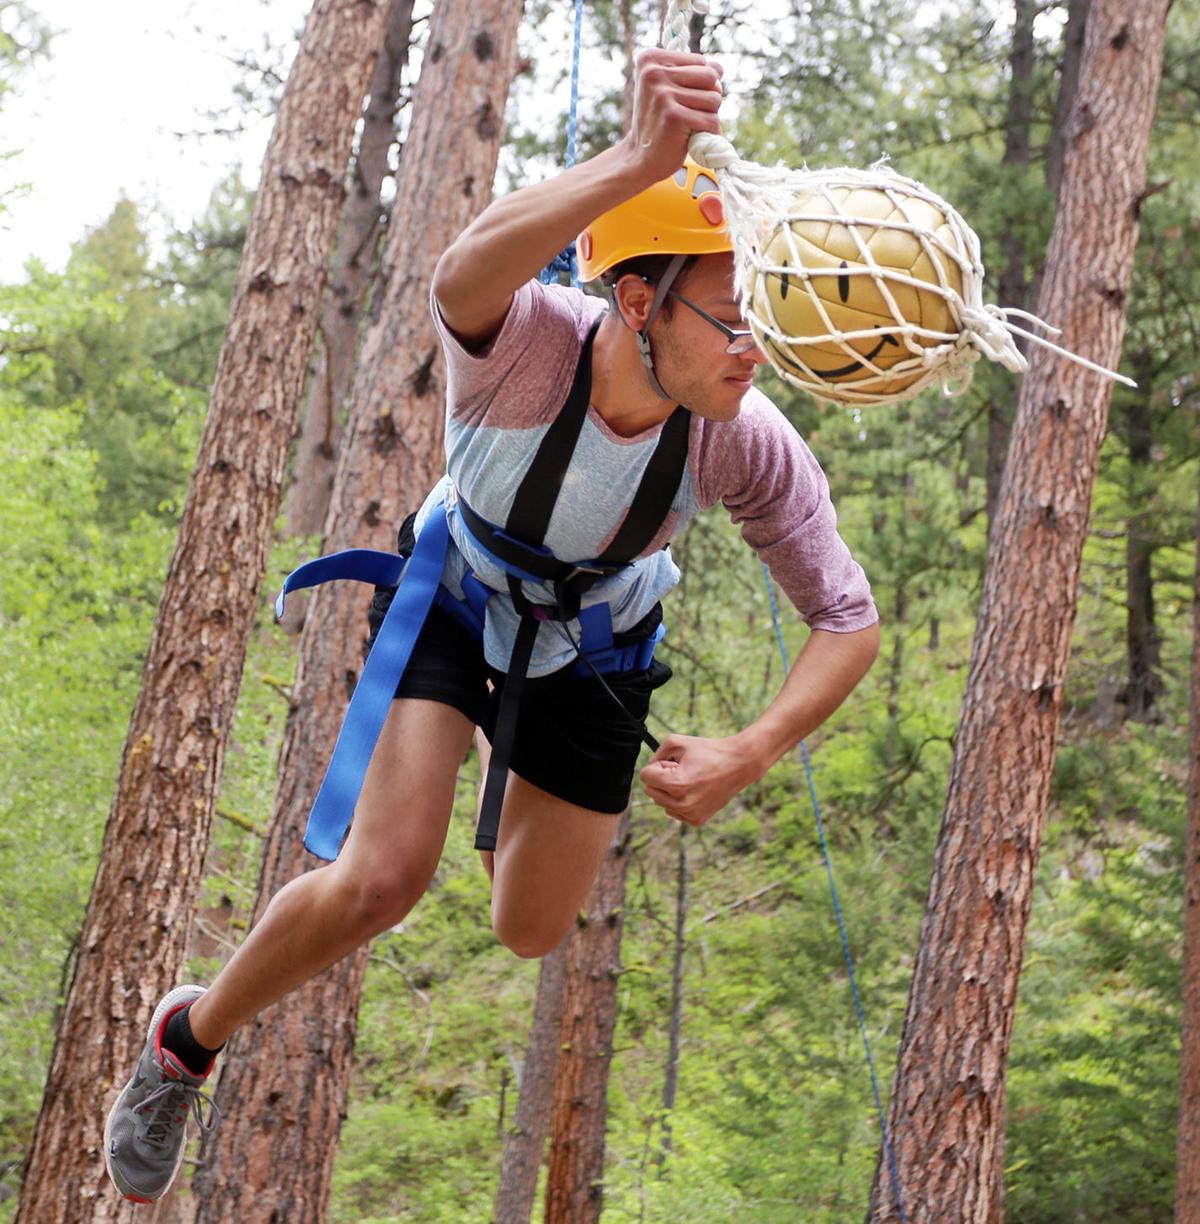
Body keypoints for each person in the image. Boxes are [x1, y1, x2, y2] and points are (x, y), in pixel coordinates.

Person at [103, 47, 879, 1204]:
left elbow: (847, 618)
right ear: (634, 301)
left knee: (526, 929)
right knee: (383, 879)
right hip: (458, 601)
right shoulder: (525, 348)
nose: (752, 350)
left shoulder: (744, 436)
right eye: (729, 320)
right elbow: (461, 270)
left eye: (759, 319)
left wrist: (750, 750)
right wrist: (634, 162)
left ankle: (514, 764)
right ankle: (187, 1043)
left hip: (596, 653)